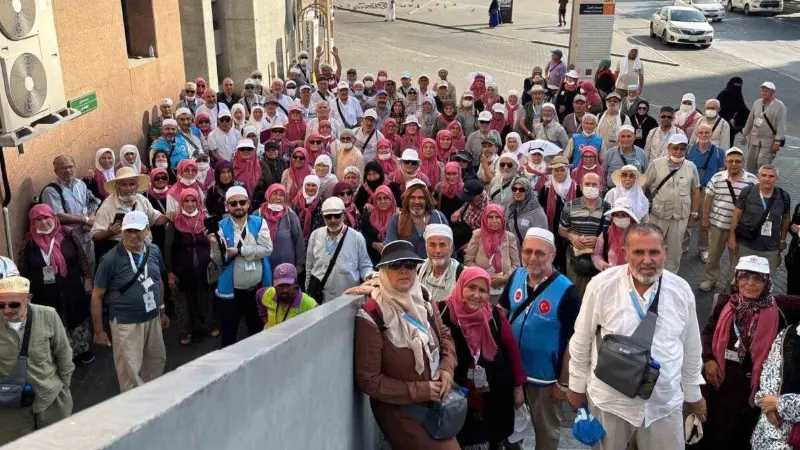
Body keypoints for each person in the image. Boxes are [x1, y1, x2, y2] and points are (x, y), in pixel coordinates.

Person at [568, 223, 706, 450]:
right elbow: (581, 339)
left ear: (665, 252)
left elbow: (691, 348)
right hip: (610, 402)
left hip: (662, 405)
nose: (647, 260)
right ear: (625, 253)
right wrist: (576, 386)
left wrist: (693, 394)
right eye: (639, 252)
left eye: (654, 252)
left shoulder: (681, 291)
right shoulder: (601, 286)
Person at [353, 240, 457, 449]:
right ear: (382, 270)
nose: (404, 271)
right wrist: (420, 390)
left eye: (410, 265)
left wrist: (446, 368)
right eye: (395, 265)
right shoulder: (373, 314)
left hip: (434, 405)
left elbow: (444, 336)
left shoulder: (423, 300)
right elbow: (369, 380)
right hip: (401, 411)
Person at [700, 255, 800, 450]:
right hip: (721, 383)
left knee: (741, 436)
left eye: (758, 279)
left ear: (767, 282)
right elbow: (708, 332)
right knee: (713, 433)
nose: (750, 283)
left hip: (753, 391)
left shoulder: (780, 307)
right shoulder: (724, 303)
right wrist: (709, 359)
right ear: (736, 279)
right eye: (744, 277)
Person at [500, 227, 581, 450]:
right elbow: (502, 313)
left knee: (546, 431)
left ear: (553, 255)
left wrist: (563, 384)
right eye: (527, 252)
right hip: (512, 372)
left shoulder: (567, 291)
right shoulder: (516, 276)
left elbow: (574, 343)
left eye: (539, 253)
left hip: (544, 379)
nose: (532, 258)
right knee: (511, 427)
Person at [437, 267, 527, 449]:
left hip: (496, 395)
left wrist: (518, 388)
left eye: (483, 290)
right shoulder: (442, 312)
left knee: (494, 440)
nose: (476, 295)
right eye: (471, 287)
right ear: (461, 286)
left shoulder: (494, 315)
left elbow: (512, 352)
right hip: (459, 398)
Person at [92, 211, 169, 392]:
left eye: (138, 230)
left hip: (152, 317)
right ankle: (133, 411)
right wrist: (98, 330)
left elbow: (159, 281)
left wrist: (162, 310)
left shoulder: (154, 251)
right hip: (126, 322)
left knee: (156, 361)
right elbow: (97, 296)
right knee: (130, 371)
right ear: (122, 232)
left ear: (147, 230)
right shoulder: (110, 259)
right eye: (129, 230)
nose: (134, 235)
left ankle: (152, 402)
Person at [0, 273, 75, 444]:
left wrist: (64, 387)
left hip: (51, 399)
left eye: (13, 304)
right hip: (10, 407)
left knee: (58, 444)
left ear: (28, 299)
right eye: (0, 304)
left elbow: (63, 353)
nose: (6, 310)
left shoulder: (48, 315)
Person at [19, 204, 93, 364]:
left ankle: (80, 353)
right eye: (38, 219)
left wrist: (87, 278)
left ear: (53, 217)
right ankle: (60, 357)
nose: (44, 222)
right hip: (44, 293)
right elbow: (23, 267)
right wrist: (24, 292)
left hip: (71, 287)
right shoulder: (28, 241)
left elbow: (81, 257)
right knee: (51, 322)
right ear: (32, 222)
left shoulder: (67, 234)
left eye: (47, 217)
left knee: (75, 318)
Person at [208, 186, 273, 348]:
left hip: (256, 290)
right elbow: (220, 260)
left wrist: (239, 251)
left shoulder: (259, 222)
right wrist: (215, 245)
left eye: (242, 202)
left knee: (258, 333)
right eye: (234, 203)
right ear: (227, 206)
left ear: (248, 203)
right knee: (229, 335)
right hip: (231, 293)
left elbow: (267, 249)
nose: (238, 206)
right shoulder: (220, 226)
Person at [699, 148, 758, 292]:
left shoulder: (752, 180)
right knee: (713, 255)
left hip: (739, 228)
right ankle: (711, 279)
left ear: (743, 162)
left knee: (737, 258)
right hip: (717, 224)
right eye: (730, 161)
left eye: (738, 161)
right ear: (725, 162)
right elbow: (708, 200)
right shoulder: (717, 177)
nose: (734, 164)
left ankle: (733, 283)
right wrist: (705, 220)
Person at [164, 188, 216, 346]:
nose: (190, 204)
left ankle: (207, 326)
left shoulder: (205, 219)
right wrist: (170, 273)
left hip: (203, 268)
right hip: (182, 270)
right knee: (183, 302)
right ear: (181, 202)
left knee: (205, 298)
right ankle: (186, 331)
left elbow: (214, 242)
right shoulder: (174, 222)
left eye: (193, 201)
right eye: (186, 201)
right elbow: (167, 248)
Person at [643, 134, 700, 273]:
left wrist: (694, 214)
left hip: (680, 217)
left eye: (682, 149)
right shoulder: (656, 164)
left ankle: (670, 277)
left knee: (675, 251)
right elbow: (643, 186)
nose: (679, 152)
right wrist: (644, 212)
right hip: (658, 215)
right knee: (654, 246)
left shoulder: (691, 166)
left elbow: (695, 191)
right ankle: (652, 273)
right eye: (675, 148)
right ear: (669, 148)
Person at [90, 167, 168, 263]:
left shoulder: (141, 200)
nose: (128, 188)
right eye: (124, 184)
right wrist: (109, 232)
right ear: (117, 186)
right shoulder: (107, 206)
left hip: (144, 251)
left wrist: (172, 217)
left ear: (137, 185)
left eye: (132, 184)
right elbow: (95, 235)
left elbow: (155, 218)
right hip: (121, 256)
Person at [306, 197, 374, 302]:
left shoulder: (356, 237)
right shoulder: (315, 235)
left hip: (347, 297)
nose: (333, 220)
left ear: (343, 215)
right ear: (323, 216)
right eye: (328, 216)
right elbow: (309, 267)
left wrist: (369, 276)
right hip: (319, 296)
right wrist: (308, 292)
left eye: (337, 216)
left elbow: (365, 265)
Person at [728, 164, 790, 274]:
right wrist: (732, 237)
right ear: (758, 177)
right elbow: (736, 215)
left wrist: (783, 239)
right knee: (737, 276)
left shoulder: (784, 196)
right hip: (745, 244)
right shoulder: (748, 191)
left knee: (765, 278)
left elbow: (786, 218)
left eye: (771, 176)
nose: (767, 179)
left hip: (770, 247)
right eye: (764, 175)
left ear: (777, 179)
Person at [42, 155, 101, 269]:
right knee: (75, 270)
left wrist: (91, 218)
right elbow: (58, 216)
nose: (68, 170)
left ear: (75, 167)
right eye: (63, 168)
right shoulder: (51, 191)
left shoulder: (81, 184)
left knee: (91, 267)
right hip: (68, 241)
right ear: (56, 171)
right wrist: (86, 220)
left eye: (70, 166)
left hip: (87, 235)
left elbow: (93, 202)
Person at [559, 172, 610, 296]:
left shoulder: (608, 209)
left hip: (598, 261)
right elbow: (561, 229)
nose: (591, 187)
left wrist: (599, 240)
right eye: (587, 184)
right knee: (573, 293)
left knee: (594, 294)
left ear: (601, 187)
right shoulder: (569, 206)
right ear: (581, 186)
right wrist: (572, 237)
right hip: (574, 259)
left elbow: (612, 234)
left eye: (594, 184)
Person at [751, 322, 800, 449]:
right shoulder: (788, 333)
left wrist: (780, 404)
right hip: (769, 434)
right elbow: (769, 370)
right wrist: (768, 406)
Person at [686, 123, 726, 262]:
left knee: (705, 219)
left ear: (711, 134)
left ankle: (703, 248)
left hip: (708, 190)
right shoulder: (689, 149)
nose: (703, 135)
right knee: (686, 215)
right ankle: (684, 243)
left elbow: (722, 172)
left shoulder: (719, 152)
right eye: (701, 132)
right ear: (697, 134)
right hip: (690, 188)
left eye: (707, 133)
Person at [464, 204, 521, 301]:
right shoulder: (478, 235)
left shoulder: (510, 237)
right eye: (490, 217)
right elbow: (468, 261)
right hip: (480, 289)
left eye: (498, 217)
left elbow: (516, 264)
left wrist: (505, 278)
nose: (494, 221)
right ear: (485, 219)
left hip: (504, 290)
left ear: (502, 219)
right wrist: (484, 276)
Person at [385, 180, 449, 258]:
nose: (417, 202)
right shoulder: (397, 219)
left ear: (427, 199)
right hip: (407, 267)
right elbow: (390, 249)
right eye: (412, 197)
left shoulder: (438, 217)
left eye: (421, 198)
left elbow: (449, 249)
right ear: (407, 199)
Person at [539, 155, 578, 272]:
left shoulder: (576, 188)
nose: (559, 173)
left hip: (570, 230)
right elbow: (541, 207)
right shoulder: (546, 187)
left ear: (568, 171)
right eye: (556, 170)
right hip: (552, 228)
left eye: (562, 170)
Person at [256, 184, 306, 274]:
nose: (278, 198)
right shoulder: (258, 214)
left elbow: (299, 239)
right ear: (268, 194)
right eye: (274, 194)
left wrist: (299, 263)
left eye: (281, 195)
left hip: (285, 263)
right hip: (263, 263)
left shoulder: (290, 215)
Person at [740, 81, 787, 174]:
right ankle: (751, 182)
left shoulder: (779, 106)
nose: (764, 93)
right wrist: (744, 134)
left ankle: (761, 182)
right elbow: (750, 119)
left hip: (768, 141)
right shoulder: (757, 102)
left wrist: (777, 142)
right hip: (754, 138)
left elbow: (781, 124)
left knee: (763, 164)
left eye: (767, 91)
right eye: (763, 90)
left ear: (773, 93)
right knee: (750, 162)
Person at [256, 263, 317, 329]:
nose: (284, 290)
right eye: (280, 285)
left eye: (287, 285)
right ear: (274, 285)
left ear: (295, 283)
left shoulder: (308, 303)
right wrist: (265, 319)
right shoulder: (268, 293)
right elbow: (258, 296)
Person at [592, 197, 639, 271]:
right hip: (611, 276)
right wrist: (603, 264)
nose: (620, 218)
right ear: (613, 217)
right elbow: (596, 255)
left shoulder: (638, 236)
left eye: (624, 215)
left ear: (630, 217)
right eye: (617, 215)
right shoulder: (606, 235)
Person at [361, 185, 398, 265]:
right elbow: (362, 237)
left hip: (395, 260)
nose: (382, 201)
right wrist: (374, 244)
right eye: (379, 199)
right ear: (375, 201)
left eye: (385, 198)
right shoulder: (368, 216)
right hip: (373, 262)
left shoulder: (399, 217)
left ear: (391, 198)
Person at [506, 177, 548, 246]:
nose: (517, 192)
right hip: (511, 250)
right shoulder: (510, 207)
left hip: (527, 252)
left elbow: (542, 237)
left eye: (522, 190)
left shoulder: (536, 211)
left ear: (528, 191)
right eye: (514, 189)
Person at [716, 77, 750, 147]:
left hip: (732, 127)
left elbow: (743, 110)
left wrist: (744, 132)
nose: (737, 87)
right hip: (721, 124)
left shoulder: (738, 95)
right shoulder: (724, 94)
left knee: (728, 145)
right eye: (735, 84)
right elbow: (717, 109)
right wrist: (728, 119)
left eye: (739, 85)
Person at [293, 175, 324, 242]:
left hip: (316, 238)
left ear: (318, 187)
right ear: (304, 185)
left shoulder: (321, 203)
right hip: (297, 237)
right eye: (308, 185)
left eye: (313, 185)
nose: (310, 188)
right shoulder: (297, 201)